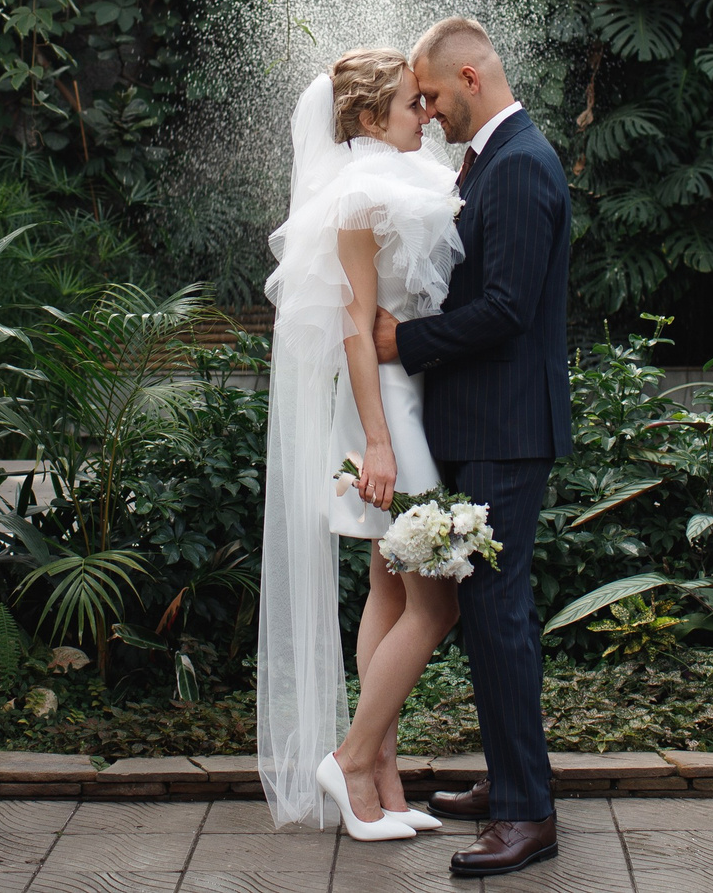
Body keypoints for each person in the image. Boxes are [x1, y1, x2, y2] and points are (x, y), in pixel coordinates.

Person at [371, 17, 572, 878]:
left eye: (432, 95)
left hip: (507, 431)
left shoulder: (522, 164)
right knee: (490, 618)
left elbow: (507, 310)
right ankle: (510, 783)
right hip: (482, 426)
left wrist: (401, 344)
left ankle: (529, 812)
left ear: (469, 75)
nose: (427, 108)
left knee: (499, 617)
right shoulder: (492, 157)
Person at [258, 48, 466, 842]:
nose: (427, 115)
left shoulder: (415, 181)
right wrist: (376, 443)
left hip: (410, 398)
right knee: (433, 598)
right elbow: (355, 330)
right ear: (372, 118)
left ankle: (382, 775)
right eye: (413, 105)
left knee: (388, 585)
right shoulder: (359, 197)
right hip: (388, 414)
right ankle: (349, 761)